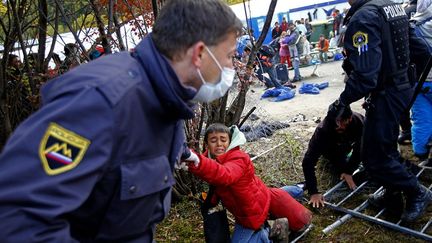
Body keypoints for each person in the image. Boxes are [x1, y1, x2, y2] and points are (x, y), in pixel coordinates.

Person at [0, 0, 242, 241]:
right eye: (230, 56)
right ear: (199, 53)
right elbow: (18, 216)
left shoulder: (165, 100)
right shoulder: (100, 102)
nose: (231, 66)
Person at [328, 0, 432, 222]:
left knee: (374, 156)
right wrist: (409, 80)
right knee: (384, 146)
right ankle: (391, 191)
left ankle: (416, 192)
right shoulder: (392, 7)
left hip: (387, 93)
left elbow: (366, 76)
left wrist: (343, 102)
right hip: (401, 88)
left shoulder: (363, 18)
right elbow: (422, 51)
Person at [186, 123, 312, 242]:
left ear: (230, 142)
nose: (219, 144)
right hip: (250, 204)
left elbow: (224, 175)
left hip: (251, 212)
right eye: (213, 141)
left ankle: (273, 229)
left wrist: (196, 160)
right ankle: (299, 188)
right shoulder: (211, 161)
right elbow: (216, 182)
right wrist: (210, 201)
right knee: (278, 193)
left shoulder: (237, 158)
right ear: (206, 145)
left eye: (223, 140)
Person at [302, 108, 364, 208]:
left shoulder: (359, 122)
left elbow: (361, 147)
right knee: (338, 164)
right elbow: (308, 161)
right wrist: (313, 192)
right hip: (332, 149)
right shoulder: (323, 130)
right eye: (337, 122)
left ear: (350, 118)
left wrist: (349, 171)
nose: (339, 126)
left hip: (348, 143)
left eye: (343, 122)